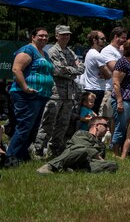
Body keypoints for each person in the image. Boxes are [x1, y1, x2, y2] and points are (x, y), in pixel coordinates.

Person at [4, 27, 54, 168]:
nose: (44, 38)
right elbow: (16, 69)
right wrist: (25, 87)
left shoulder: (44, 53)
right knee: (24, 127)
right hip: (26, 95)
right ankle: (10, 160)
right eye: (41, 36)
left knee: (32, 129)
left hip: (40, 96)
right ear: (33, 37)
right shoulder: (27, 50)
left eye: (46, 36)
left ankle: (22, 156)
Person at [34, 25, 85, 158]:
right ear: (57, 36)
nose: (66, 37)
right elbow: (57, 70)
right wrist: (72, 71)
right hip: (55, 94)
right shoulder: (52, 51)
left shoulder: (70, 52)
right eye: (63, 34)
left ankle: (55, 151)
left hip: (69, 95)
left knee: (63, 125)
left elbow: (81, 68)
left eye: (68, 34)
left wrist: (68, 70)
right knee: (48, 123)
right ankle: (38, 150)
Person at [36, 116, 117, 174]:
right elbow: (86, 147)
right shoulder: (82, 133)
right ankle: (50, 166)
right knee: (83, 150)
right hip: (74, 158)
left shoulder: (102, 145)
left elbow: (99, 161)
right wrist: (100, 159)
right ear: (96, 126)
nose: (108, 129)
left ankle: (73, 170)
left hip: (87, 163)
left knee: (113, 165)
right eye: (105, 126)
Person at [80, 30, 111, 115]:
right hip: (96, 89)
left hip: (91, 88)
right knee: (93, 116)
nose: (104, 40)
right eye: (102, 39)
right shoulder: (97, 55)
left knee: (88, 115)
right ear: (94, 40)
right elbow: (108, 75)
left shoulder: (90, 53)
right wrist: (106, 73)